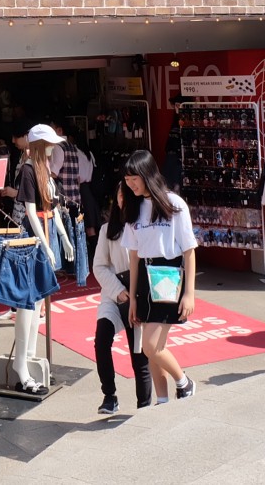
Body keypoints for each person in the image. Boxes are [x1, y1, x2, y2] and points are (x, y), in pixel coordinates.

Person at [121, 149, 197, 404]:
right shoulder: (133, 208)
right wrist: (132, 298)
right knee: (154, 348)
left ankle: (184, 382)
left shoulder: (174, 204)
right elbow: (133, 257)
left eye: (135, 179)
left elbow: (189, 250)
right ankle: (163, 399)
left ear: (147, 174)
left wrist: (189, 293)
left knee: (150, 347)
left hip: (168, 275)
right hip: (144, 277)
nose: (130, 184)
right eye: (127, 180)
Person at [8, 123, 67, 394]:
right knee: (27, 304)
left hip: (45, 238)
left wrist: (64, 239)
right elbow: (30, 213)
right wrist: (45, 245)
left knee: (36, 305)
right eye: (50, 143)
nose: (54, 147)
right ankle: (21, 364)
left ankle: (29, 357)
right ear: (41, 145)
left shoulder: (44, 172)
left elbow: (51, 210)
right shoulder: (30, 170)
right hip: (33, 242)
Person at [92, 181, 152, 415]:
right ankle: (109, 395)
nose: (123, 199)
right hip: (114, 292)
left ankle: (144, 404)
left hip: (139, 293)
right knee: (102, 339)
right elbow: (99, 267)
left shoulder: (144, 224)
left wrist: (136, 292)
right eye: (120, 194)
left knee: (140, 353)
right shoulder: (108, 230)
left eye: (127, 194)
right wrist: (118, 291)